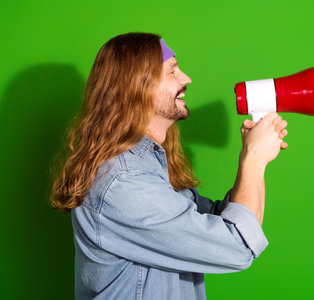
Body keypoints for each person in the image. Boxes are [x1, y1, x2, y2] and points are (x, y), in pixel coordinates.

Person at [50, 32, 288, 300]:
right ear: (138, 86)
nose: (186, 79)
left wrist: (253, 156)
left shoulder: (148, 163)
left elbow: (222, 221)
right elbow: (238, 246)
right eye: (173, 71)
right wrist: (254, 158)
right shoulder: (124, 182)